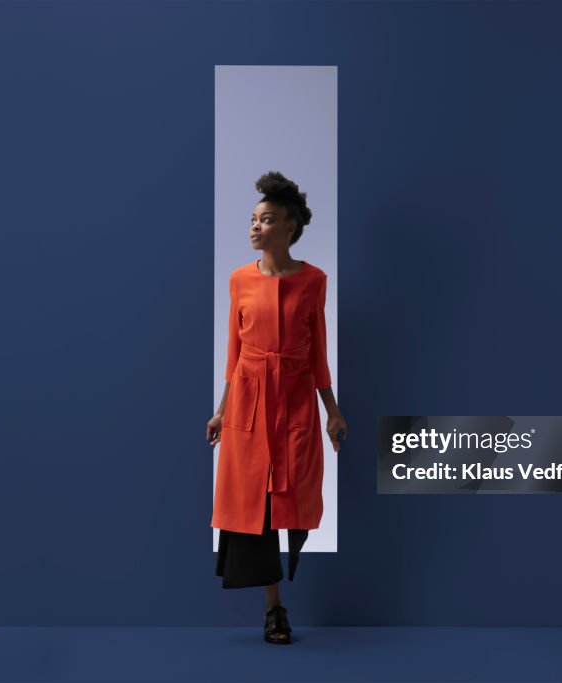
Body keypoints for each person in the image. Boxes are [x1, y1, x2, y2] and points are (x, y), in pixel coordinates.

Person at [207, 171, 347, 645]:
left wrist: (333, 409)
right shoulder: (239, 280)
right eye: (252, 219)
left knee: (293, 498)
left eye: (265, 220)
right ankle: (274, 609)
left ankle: (285, 590)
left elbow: (318, 354)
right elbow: (232, 353)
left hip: (295, 400)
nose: (254, 227)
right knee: (255, 506)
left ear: (289, 228)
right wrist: (222, 411)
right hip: (248, 400)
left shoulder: (314, 281)